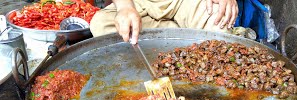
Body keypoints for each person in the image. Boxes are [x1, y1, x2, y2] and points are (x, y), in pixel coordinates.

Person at [90, 0, 238, 44]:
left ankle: (180, 34)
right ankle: (182, 33)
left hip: (186, 2)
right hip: (138, 3)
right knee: (101, 24)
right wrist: (125, 7)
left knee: (220, 23)